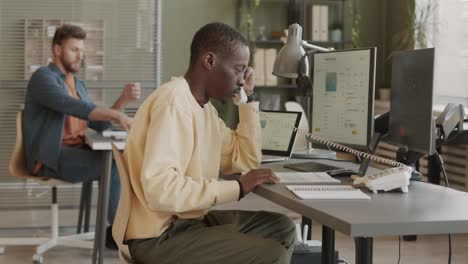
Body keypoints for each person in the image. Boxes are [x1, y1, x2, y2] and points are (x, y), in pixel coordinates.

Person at [120, 22, 296, 263]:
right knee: (271, 254)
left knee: (281, 227)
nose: (241, 81)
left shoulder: (205, 110)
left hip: (187, 221)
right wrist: (237, 188)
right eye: (238, 69)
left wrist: (248, 102)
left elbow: (243, 160)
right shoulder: (174, 102)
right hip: (159, 236)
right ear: (210, 61)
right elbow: (160, 191)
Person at [22, 24, 140, 249]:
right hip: (49, 159)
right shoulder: (43, 78)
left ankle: (124, 228)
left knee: (121, 157)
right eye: (74, 49)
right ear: (57, 49)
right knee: (115, 162)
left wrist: (123, 100)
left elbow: (100, 122)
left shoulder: (77, 83)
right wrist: (116, 114)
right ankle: (121, 231)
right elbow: (74, 107)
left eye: (82, 51)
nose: (80, 56)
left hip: (74, 153)